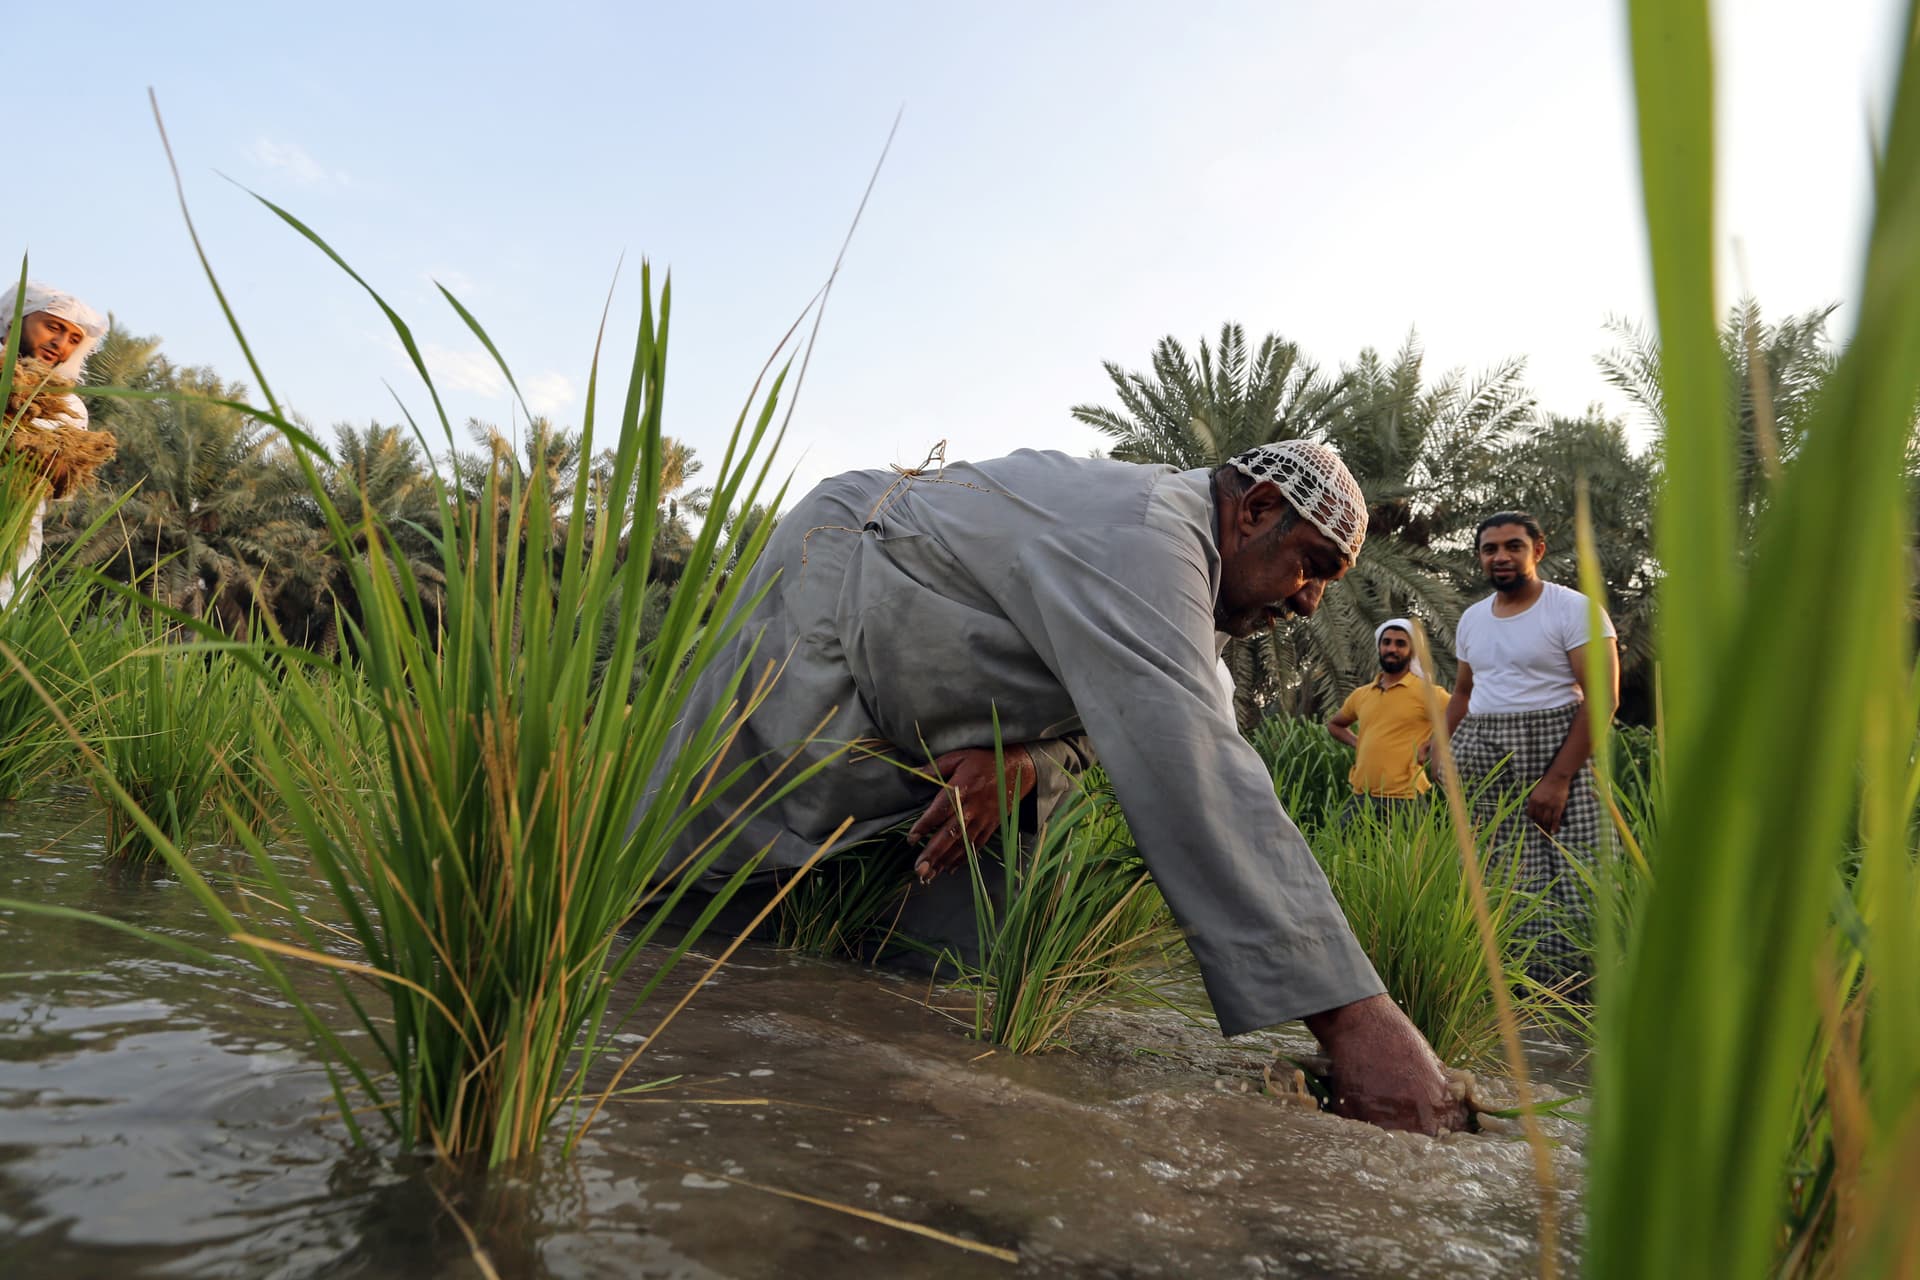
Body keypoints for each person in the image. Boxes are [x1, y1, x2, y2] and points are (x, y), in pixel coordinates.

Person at [640, 441, 1469, 1135]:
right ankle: (656, 1002)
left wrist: (1028, 765)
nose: (1313, 601)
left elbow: (1126, 736)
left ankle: (866, 1081)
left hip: (937, 722)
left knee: (946, 921)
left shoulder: (1192, 621)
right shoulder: (1145, 538)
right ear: (1253, 511)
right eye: (1311, 566)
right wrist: (1357, 1022)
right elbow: (1191, 769)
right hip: (834, 573)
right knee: (715, 829)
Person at [1445, 511, 1618, 987]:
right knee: (1494, 868)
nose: (1500, 556)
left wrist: (1558, 779)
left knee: (1578, 866)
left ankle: (1579, 989)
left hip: (1558, 746)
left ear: (1537, 550)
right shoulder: (1473, 618)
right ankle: (1507, 983)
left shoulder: (1573, 609)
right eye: (1490, 549)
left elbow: (1602, 696)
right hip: (1483, 748)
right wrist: (1440, 745)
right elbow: (1463, 691)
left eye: (1512, 546)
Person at [1, 281, 108, 609]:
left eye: (74, 339)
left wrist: (26, 450)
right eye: (52, 327)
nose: (60, 343)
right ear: (16, 320)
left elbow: (63, 486)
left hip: (12, 541)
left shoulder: (69, 407)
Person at [1326, 618, 1449, 815]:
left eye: (1400, 643)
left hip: (1405, 799)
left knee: (1412, 847)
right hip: (1361, 796)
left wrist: (1432, 744)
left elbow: (1462, 715)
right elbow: (1334, 725)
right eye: (1387, 642)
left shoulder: (1428, 693)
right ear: (1379, 647)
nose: (1392, 649)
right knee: (1341, 844)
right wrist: (1359, 742)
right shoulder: (1362, 695)